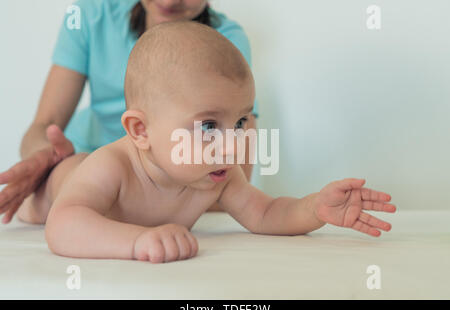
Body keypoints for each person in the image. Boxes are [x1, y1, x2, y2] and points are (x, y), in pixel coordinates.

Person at [10, 21, 396, 263]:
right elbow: (63, 225)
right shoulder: (111, 166)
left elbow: (266, 213)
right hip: (48, 191)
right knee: (66, 177)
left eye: (241, 120)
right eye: (209, 126)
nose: (231, 144)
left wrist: (315, 207)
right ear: (141, 131)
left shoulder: (216, 175)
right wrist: (139, 241)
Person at [0, 0, 258, 224]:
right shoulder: (91, 14)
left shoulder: (226, 43)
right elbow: (46, 124)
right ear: (137, 128)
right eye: (208, 125)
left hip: (168, 178)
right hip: (81, 158)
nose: (168, 1)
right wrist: (47, 161)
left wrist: (146, 197)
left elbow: (232, 182)